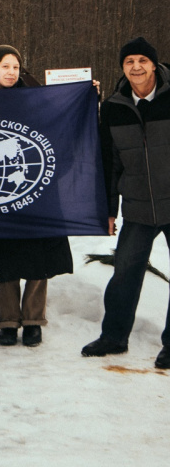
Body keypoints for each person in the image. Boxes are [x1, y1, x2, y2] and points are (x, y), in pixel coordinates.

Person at [82, 37, 170, 369]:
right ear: (122, 67)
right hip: (137, 207)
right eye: (129, 61)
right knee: (124, 273)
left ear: (154, 64)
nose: (136, 67)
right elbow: (110, 163)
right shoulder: (115, 107)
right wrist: (108, 210)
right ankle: (114, 337)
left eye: (142, 61)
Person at [0, 45, 73, 347]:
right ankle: (8, 321)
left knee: (37, 253)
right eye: (5, 66)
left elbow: (59, 128)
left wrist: (85, 95)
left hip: (34, 187)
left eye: (16, 67)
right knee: (6, 255)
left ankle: (33, 320)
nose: (11, 72)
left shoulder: (36, 100)